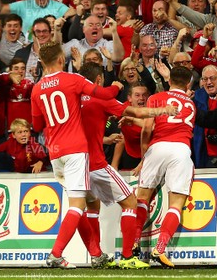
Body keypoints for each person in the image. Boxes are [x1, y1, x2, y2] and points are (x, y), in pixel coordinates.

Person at [30, 41, 122, 269]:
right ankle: (55, 254)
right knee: (77, 205)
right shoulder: (73, 80)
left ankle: (96, 253)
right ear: (62, 59)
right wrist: (118, 86)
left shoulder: (37, 89)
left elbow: (37, 123)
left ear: (42, 62)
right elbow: (104, 94)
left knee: (76, 204)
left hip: (55, 152)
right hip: (75, 150)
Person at [78, 62, 176, 268]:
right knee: (131, 203)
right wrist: (164, 110)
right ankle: (128, 257)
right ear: (98, 80)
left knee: (90, 207)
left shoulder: (73, 99)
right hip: (96, 163)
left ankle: (97, 257)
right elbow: (138, 113)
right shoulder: (101, 98)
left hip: (76, 164)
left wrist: (104, 139)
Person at [134, 67, 196, 268]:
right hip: (180, 149)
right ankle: (159, 249)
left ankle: (134, 245)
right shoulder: (191, 105)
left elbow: (147, 129)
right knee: (176, 204)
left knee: (142, 197)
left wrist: (144, 158)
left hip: (157, 146)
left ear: (169, 81)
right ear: (188, 85)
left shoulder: (156, 98)